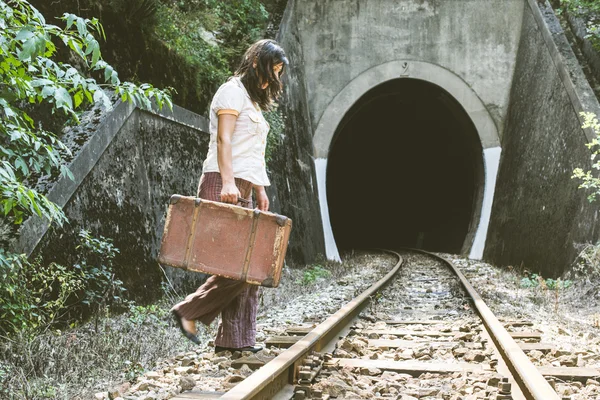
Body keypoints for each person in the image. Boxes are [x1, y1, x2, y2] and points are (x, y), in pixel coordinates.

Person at [171, 39, 288, 353]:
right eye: (271, 70)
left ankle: (236, 341)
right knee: (240, 267)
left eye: (277, 73)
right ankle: (188, 311)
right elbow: (223, 141)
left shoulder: (251, 101)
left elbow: (251, 152)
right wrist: (227, 183)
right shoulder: (231, 92)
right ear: (255, 64)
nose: (272, 79)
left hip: (244, 186)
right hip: (223, 183)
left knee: (249, 271)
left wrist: (260, 189)